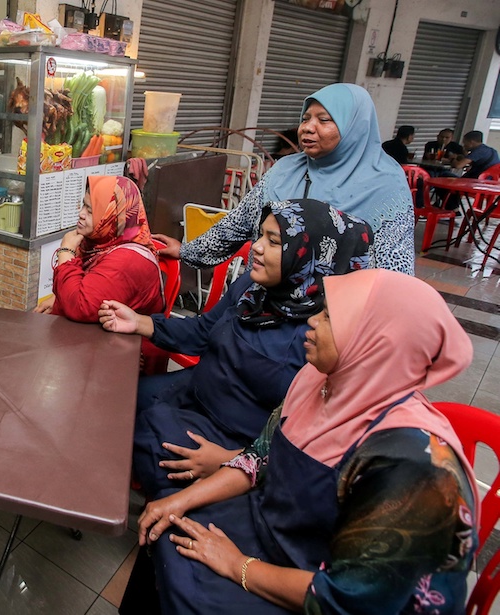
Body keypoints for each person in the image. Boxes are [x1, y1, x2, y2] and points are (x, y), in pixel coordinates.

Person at [123, 268, 476, 615]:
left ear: (376, 342)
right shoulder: (317, 377)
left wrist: (237, 566)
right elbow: (258, 459)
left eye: (328, 318)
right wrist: (179, 501)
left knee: (191, 587)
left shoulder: (412, 467)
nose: (311, 322)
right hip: (278, 531)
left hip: (322, 580)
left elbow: (348, 600)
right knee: (168, 525)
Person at [99, 199, 371, 498]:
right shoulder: (252, 288)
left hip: (235, 439)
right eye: (261, 236)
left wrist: (233, 459)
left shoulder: (325, 331)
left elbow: (313, 436)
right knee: (114, 402)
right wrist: (139, 323)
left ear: (309, 257)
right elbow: (203, 331)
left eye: (274, 241)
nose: (256, 247)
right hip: (196, 393)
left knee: (156, 450)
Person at [157, 83, 414, 275]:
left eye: (323, 120)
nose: (307, 127)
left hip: (327, 321)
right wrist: (186, 250)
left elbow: (394, 273)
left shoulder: (386, 186)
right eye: (305, 118)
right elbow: (238, 224)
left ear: (355, 127)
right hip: (260, 302)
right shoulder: (286, 169)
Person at [34, 176, 164, 322]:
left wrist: (66, 252)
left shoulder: (127, 260)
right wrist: (58, 297)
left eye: (90, 211)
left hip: (124, 341)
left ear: (112, 216)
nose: (81, 214)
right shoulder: (99, 243)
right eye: (84, 206)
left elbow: (80, 308)